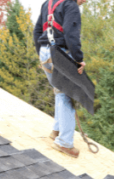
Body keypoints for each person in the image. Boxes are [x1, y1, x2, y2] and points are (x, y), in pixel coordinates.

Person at [33, 0, 87, 158]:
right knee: (66, 95)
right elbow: (71, 36)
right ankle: (64, 142)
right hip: (60, 53)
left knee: (59, 90)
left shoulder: (47, 4)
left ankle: (56, 130)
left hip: (45, 51)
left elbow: (37, 31)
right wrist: (78, 60)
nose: (84, 2)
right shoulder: (71, 6)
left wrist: (42, 53)